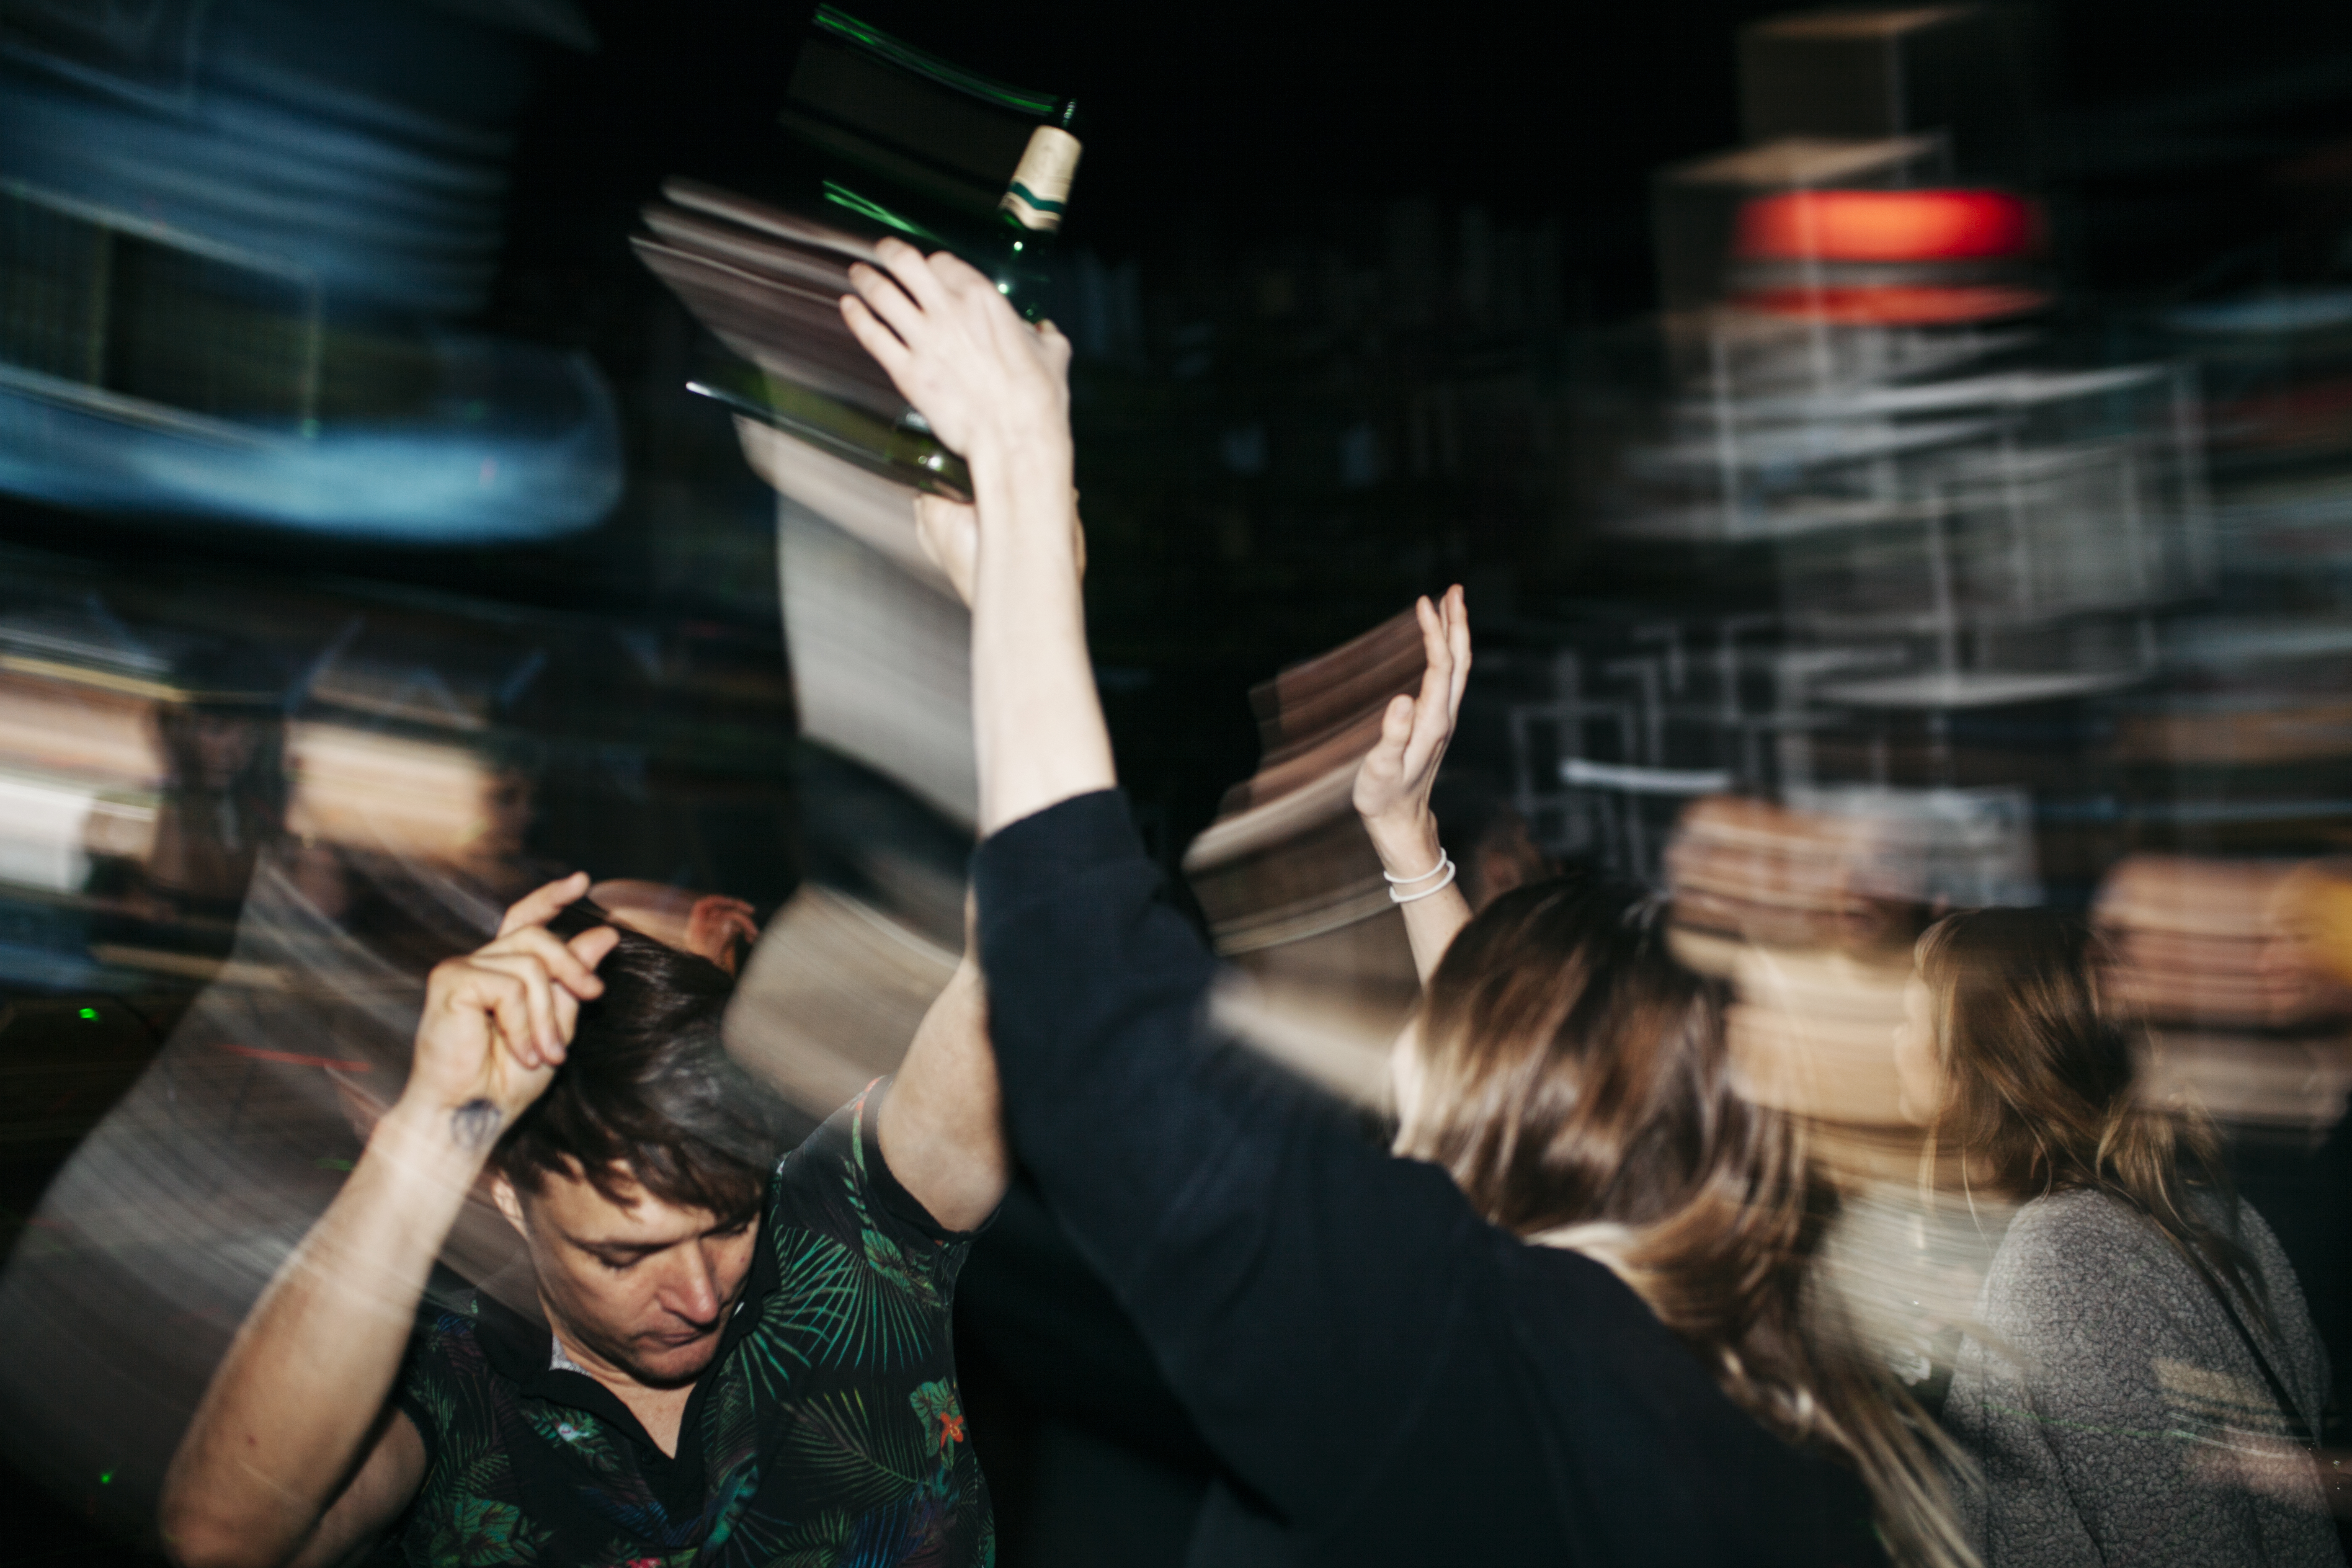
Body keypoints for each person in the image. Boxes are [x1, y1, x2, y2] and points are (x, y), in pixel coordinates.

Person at [840, 238, 1967, 1565]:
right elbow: (1508, 1043)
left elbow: (1100, 1012)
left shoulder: (1487, 1363)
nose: (1405, 1066)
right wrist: (1407, 844)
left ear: (1525, 1098)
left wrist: (1029, 484)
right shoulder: (1727, 1379)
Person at [159, 870, 1006, 1567]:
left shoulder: (852, 1218)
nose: (702, 1296)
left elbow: (1020, 944)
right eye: (626, 1256)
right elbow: (223, 1542)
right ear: (505, 1195)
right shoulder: (441, 1375)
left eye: (728, 1225)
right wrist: (433, 1127)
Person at [1893, 907, 2342, 1567]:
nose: (1892, 1041)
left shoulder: (2066, 1259)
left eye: (1906, 1018)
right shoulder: (2209, 1213)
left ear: (1970, 1055)